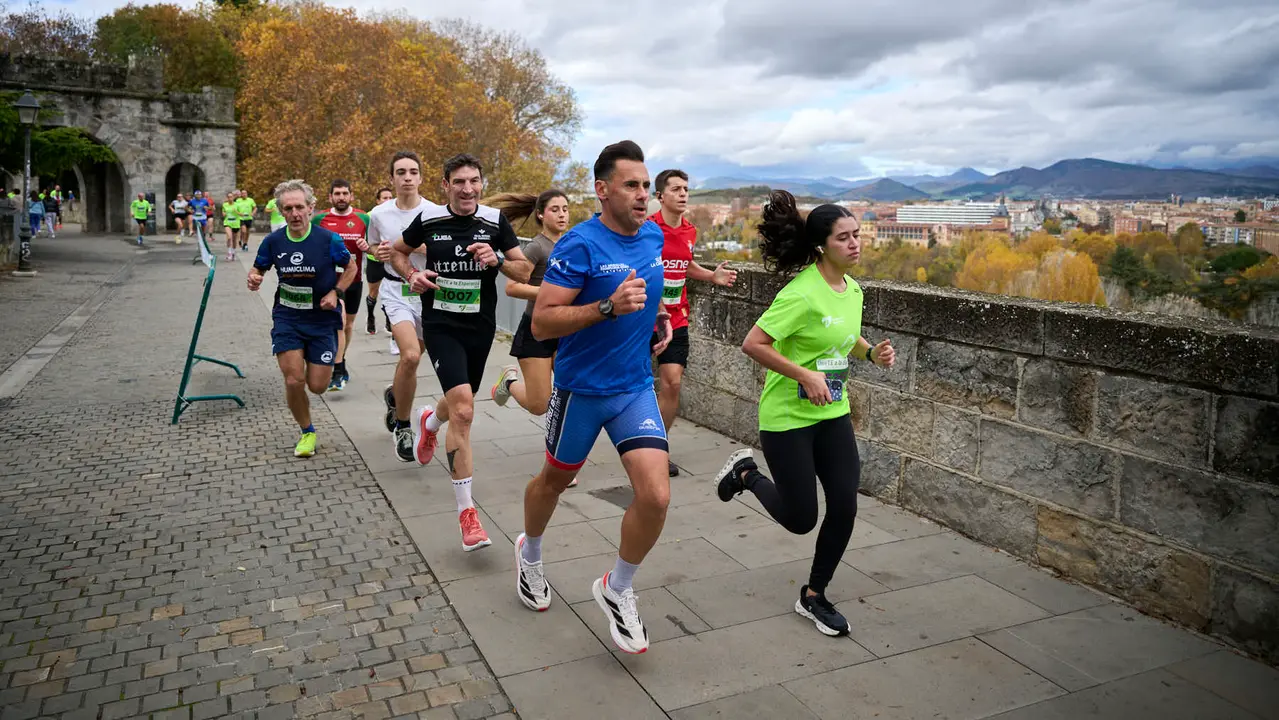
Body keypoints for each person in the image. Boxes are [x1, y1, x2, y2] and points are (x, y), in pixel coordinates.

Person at [513, 140, 673, 654]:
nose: (643, 195)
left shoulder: (653, 236)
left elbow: (646, 291)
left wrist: (660, 318)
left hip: (633, 389)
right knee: (554, 483)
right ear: (602, 190)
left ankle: (617, 587)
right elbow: (542, 321)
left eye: (646, 185)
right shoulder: (578, 244)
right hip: (581, 391)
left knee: (656, 494)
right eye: (632, 185)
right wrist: (605, 307)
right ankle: (530, 553)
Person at [713, 190, 895, 638]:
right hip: (787, 418)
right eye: (844, 238)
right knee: (800, 519)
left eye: (857, 235)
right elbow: (753, 343)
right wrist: (804, 376)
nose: (855, 244)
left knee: (846, 504)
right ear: (821, 247)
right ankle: (746, 475)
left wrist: (872, 353)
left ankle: (814, 594)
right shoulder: (801, 293)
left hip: (832, 412)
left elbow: (844, 336)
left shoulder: (852, 290)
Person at [392, 153, 532, 552]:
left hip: (480, 326)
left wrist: (499, 258)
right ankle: (467, 514)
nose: (467, 189)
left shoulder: (494, 222)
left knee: (460, 401)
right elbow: (400, 253)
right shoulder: (430, 220)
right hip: (440, 324)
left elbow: (523, 271)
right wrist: (412, 274)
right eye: (459, 182)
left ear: (482, 183)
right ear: (445, 185)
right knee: (466, 411)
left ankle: (429, 422)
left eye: (474, 181)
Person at [247, 179, 356, 458]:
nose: (295, 213)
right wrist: (255, 278)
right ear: (280, 211)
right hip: (288, 318)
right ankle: (307, 431)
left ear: (311, 208)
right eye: (288, 208)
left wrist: (336, 292)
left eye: (299, 207)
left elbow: (351, 267)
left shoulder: (327, 240)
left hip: (321, 320)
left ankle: (315, 362)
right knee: (294, 380)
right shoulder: (273, 241)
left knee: (317, 386)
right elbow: (259, 269)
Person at [650, 169, 738, 477]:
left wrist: (711, 275)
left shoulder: (689, 230)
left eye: (686, 189)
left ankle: (658, 450)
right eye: (675, 189)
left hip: (678, 316)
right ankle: (635, 442)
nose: (683, 194)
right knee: (631, 385)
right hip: (642, 317)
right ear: (660, 196)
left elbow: (684, 265)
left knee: (672, 383)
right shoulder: (648, 229)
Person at [368, 151, 434, 459]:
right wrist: (378, 252)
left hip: (428, 293)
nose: (407, 177)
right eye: (400, 172)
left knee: (412, 358)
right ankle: (404, 426)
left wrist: (412, 246)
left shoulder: (436, 212)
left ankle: (395, 396)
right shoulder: (379, 214)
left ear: (421, 178)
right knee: (409, 356)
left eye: (412, 172)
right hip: (396, 291)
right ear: (392, 178)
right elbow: (372, 246)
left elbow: (441, 250)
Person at [488, 190, 570, 416]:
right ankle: (509, 382)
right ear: (541, 215)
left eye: (565, 209)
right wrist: (548, 293)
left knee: (572, 390)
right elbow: (512, 287)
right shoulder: (536, 247)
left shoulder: (572, 244)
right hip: (536, 330)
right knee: (539, 405)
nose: (562, 214)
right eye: (555, 210)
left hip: (564, 328)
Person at [311, 179, 370, 391]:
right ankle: (339, 369)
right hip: (332, 282)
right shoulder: (320, 219)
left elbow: (374, 247)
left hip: (355, 280)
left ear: (351, 196)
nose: (341, 197)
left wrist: (368, 247)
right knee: (339, 320)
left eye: (345, 193)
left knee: (347, 325)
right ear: (330, 197)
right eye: (337, 193)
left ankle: (340, 356)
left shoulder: (364, 218)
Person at [365, 187, 395, 336]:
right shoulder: (371, 215)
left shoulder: (396, 214)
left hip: (391, 261)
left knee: (391, 291)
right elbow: (367, 240)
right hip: (374, 260)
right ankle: (370, 316)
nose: (388, 201)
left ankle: (390, 320)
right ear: (378, 201)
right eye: (384, 198)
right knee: (374, 292)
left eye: (390, 197)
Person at [222, 191, 241, 260]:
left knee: (234, 240)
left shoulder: (237, 205)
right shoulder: (225, 205)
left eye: (231, 197)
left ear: (233, 197)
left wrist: (236, 212)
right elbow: (223, 212)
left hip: (236, 223)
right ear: (227, 198)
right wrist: (224, 214)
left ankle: (233, 252)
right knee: (229, 237)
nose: (230, 198)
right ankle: (229, 252)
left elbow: (241, 214)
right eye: (229, 197)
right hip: (227, 222)